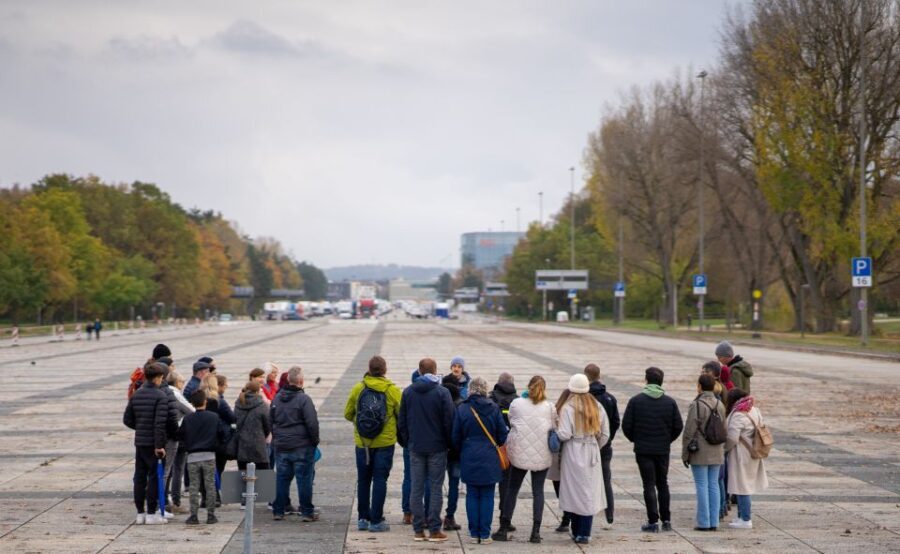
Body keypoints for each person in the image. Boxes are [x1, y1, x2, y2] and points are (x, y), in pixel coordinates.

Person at [398, 358, 455, 542]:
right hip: (437, 447)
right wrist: (448, 443)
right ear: (435, 370)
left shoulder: (408, 392)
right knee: (436, 487)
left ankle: (418, 530)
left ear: (419, 372)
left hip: (416, 446)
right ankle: (434, 529)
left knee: (416, 487)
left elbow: (402, 422)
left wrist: (408, 441)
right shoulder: (442, 392)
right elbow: (449, 421)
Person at [622, 367, 684, 533]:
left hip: (643, 450)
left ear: (646, 380)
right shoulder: (670, 402)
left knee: (648, 484)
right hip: (662, 449)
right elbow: (678, 426)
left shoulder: (636, 401)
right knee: (663, 483)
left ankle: (653, 521)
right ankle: (667, 520)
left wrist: (636, 439)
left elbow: (626, 425)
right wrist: (666, 439)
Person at [344, 355, 401, 533]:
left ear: (369, 368)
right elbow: (402, 414)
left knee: (363, 480)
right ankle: (376, 520)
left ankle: (362, 518)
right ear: (385, 370)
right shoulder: (392, 390)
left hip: (363, 444)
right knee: (380, 480)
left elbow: (347, 413)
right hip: (385, 443)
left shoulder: (358, 388)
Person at [495, 375, 555, 543]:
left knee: (512, 490)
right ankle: (535, 532)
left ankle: (503, 528)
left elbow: (511, 420)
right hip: (542, 454)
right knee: (538, 492)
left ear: (529, 387)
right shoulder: (550, 407)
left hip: (519, 453)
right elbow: (554, 426)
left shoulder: (517, 403)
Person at [452, 377, 508, 545]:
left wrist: (463, 449)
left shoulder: (463, 408)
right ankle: (484, 534)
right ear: (485, 389)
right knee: (488, 495)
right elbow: (502, 435)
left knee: (472, 494)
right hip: (490, 456)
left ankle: (473, 532)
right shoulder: (494, 408)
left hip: (469, 455)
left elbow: (455, 436)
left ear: (470, 390)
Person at [557, 373, 610, 545]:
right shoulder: (597, 406)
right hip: (591, 450)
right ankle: (584, 533)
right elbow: (605, 434)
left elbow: (564, 434)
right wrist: (595, 445)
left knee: (574, 491)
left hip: (573, 450)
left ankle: (576, 530)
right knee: (589, 491)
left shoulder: (568, 407)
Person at [270, 366, 320, 521]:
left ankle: (278, 510)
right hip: (302, 446)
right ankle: (306, 511)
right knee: (304, 479)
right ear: (301, 381)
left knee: (281, 479)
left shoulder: (277, 398)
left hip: (282, 445)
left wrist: (277, 437)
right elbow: (312, 423)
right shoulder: (304, 399)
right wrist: (314, 441)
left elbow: (270, 420)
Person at [123, 362, 169, 525]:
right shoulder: (161, 396)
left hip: (140, 442)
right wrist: (159, 446)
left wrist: (140, 426)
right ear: (157, 378)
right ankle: (151, 513)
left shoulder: (137, 394)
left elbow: (127, 419)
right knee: (155, 477)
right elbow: (159, 423)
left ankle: (140, 513)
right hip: (154, 444)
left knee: (140, 477)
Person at [682, 374, 726, 531]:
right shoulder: (720, 404)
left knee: (701, 484)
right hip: (717, 450)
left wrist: (685, 454)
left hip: (700, 450)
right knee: (713, 484)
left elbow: (689, 431)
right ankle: (714, 521)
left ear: (699, 386)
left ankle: (703, 521)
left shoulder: (697, 405)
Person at [179, 389, 226, 525]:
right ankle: (210, 515)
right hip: (209, 455)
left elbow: (180, 435)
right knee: (210, 485)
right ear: (205, 401)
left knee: (194, 487)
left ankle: (194, 515)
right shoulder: (213, 417)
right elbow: (222, 434)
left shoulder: (188, 419)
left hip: (193, 456)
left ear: (192, 403)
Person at [724, 388, 768, 529]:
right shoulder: (754, 409)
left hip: (741, 455)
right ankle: (740, 516)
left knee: (742, 487)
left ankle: (745, 519)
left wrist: (724, 450)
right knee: (743, 485)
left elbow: (732, 438)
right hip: (753, 452)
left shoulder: (738, 414)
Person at [585, 363, 620, 527]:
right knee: (606, 480)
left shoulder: (583, 399)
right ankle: (610, 514)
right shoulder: (610, 398)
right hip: (605, 446)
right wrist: (608, 439)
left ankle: (583, 513)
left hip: (586, 445)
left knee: (584, 480)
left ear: (586, 376)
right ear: (599, 376)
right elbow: (615, 422)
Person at [234, 381, 271, 509]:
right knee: (264, 469)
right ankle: (269, 499)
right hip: (258, 442)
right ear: (258, 391)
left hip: (242, 442)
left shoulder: (239, 403)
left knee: (243, 471)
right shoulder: (261, 405)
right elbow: (268, 424)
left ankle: (244, 500)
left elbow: (236, 421)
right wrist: (264, 435)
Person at [489, 372, 517, 533]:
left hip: (492, 447)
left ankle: (485, 518)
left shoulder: (491, 398)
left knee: (489, 485)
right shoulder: (518, 400)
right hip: (509, 448)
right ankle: (504, 519)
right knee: (507, 485)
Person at [155, 357, 182, 519]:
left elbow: (129, 419)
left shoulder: (143, 390)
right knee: (165, 472)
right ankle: (161, 506)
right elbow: (172, 417)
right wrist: (176, 435)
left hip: (148, 438)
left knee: (152, 473)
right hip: (167, 438)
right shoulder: (168, 392)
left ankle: (151, 507)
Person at [167, 369, 194, 513]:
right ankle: (175, 501)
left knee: (168, 470)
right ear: (177, 382)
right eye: (182, 382)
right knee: (177, 469)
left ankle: (166, 498)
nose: (183, 385)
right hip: (177, 435)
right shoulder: (176, 394)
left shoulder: (164, 391)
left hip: (164, 435)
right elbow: (192, 411)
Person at [440, 373, 462, 531]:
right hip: (456, 451)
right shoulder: (461, 404)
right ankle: (449, 517)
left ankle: (430, 515)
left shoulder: (438, 401)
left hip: (439, 449)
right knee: (454, 485)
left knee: (434, 484)